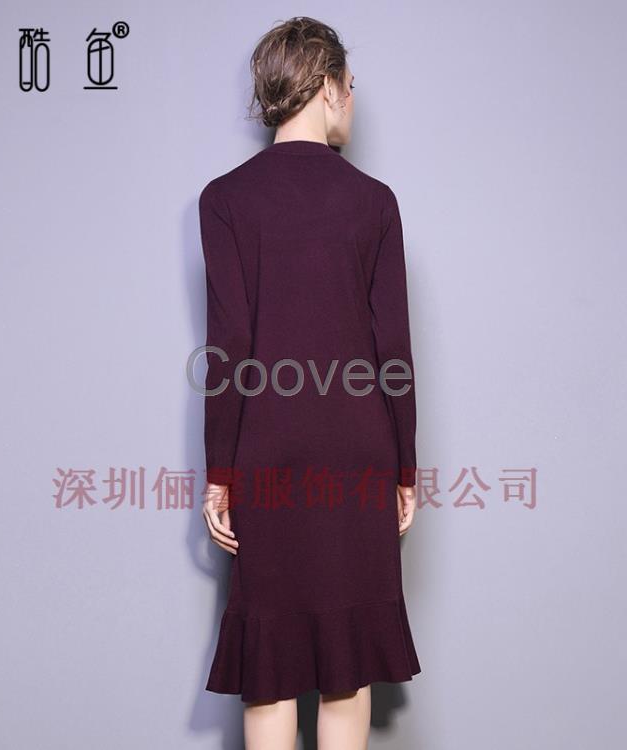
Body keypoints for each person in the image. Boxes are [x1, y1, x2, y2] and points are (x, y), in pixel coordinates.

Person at [198, 16, 421, 750]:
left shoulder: (225, 199)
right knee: (345, 666)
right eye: (349, 86)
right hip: (359, 454)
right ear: (327, 85)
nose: (351, 101)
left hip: (267, 453)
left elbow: (229, 347)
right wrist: (405, 470)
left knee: (270, 665)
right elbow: (393, 352)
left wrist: (220, 473)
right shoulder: (374, 201)